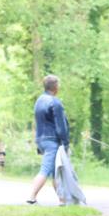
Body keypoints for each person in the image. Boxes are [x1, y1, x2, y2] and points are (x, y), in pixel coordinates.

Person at [27, 74, 70, 205]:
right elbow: (61, 127)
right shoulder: (55, 102)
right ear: (55, 87)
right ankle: (31, 197)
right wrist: (66, 143)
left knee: (55, 171)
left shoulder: (39, 100)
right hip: (52, 140)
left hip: (41, 139)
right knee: (46, 169)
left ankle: (62, 200)